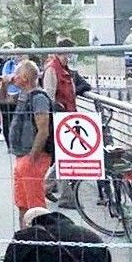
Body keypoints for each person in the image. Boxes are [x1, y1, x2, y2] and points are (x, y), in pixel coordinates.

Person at [4, 60, 53, 228]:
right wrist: (4, 84)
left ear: (24, 77)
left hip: (31, 157)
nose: (13, 77)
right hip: (23, 156)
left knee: (36, 206)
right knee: (23, 203)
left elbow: (43, 129)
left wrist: (32, 157)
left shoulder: (38, 98)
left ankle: (40, 244)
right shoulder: (24, 95)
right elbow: (2, 101)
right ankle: (24, 242)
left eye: (16, 74)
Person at [42, 38, 78, 208]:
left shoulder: (63, 69)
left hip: (68, 117)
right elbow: (49, 96)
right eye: (70, 53)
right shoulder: (53, 69)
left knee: (67, 155)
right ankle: (66, 196)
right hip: (61, 118)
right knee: (65, 156)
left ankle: (46, 186)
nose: (71, 56)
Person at [0, 43, 23, 145]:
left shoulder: (25, 65)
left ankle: (18, 142)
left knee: (19, 121)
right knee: (7, 121)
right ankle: (10, 144)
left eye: (20, 55)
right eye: (16, 54)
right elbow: (5, 78)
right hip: (8, 94)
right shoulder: (8, 64)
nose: (18, 56)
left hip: (21, 96)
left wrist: (12, 78)